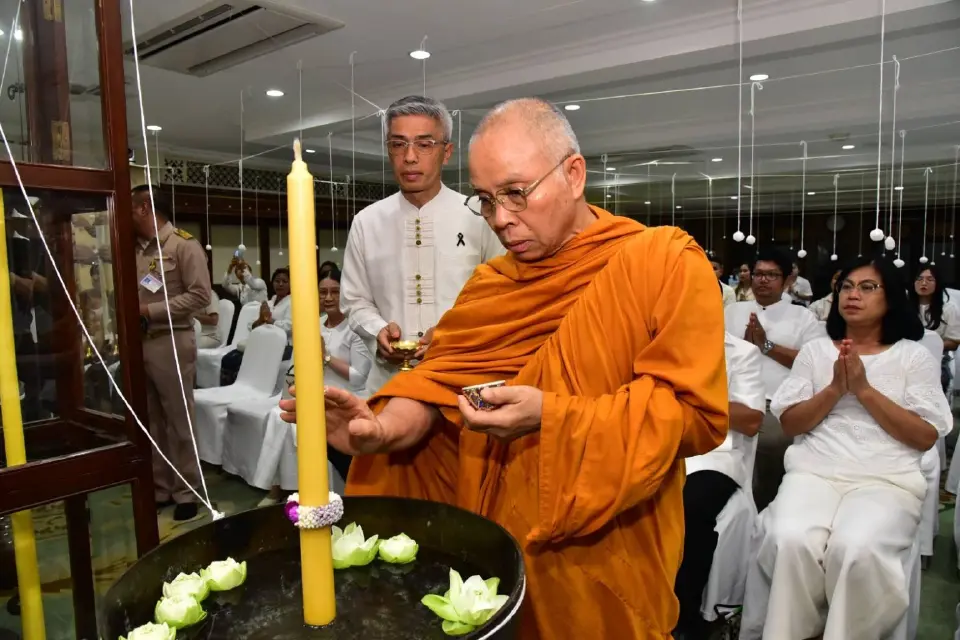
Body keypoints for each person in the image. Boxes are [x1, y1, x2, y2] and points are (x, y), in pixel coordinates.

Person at [281, 98, 728, 638]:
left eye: (517, 193)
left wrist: (553, 418)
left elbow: (695, 416)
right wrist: (382, 430)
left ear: (574, 173)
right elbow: (438, 384)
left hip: (605, 544)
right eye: (486, 200)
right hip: (490, 540)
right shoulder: (492, 284)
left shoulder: (664, 263)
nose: (501, 219)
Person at [740, 256, 952, 640]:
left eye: (868, 287)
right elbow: (791, 423)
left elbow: (924, 437)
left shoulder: (912, 356)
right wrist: (837, 388)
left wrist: (864, 390)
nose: (853, 295)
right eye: (847, 287)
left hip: (886, 477)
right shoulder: (817, 352)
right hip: (816, 471)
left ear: (892, 297)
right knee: (789, 537)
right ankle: (795, 632)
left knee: (855, 546)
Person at [341, 95, 503, 397]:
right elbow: (354, 301)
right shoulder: (367, 221)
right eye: (398, 144)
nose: (410, 157)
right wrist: (378, 330)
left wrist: (451, 334)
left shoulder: (479, 215)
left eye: (424, 144)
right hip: (389, 383)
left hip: (461, 378)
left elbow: (500, 295)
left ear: (446, 152)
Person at [674, 320, 765, 638]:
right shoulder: (659, 346)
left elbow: (752, 420)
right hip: (662, 446)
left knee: (690, 506)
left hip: (715, 455)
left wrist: (693, 402)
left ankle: (684, 616)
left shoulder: (741, 352)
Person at [131, 184, 211, 521]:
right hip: (140, 342)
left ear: (147, 207)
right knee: (152, 420)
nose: (128, 213)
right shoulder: (134, 249)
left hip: (171, 340)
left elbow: (200, 296)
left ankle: (188, 490)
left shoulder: (182, 245)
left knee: (179, 420)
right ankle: (161, 487)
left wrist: (149, 311)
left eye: (133, 207)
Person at [724, 248, 825, 510]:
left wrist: (765, 345)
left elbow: (812, 363)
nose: (763, 280)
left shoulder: (803, 316)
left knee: (770, 446)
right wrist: (742, 350)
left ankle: (766, 515)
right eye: (758, 274)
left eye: (771, 275)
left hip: (776, 404)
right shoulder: (733, 311)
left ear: (787, 280)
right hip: (731, 400)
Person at [220, 268, 292, 386]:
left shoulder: (293, 302)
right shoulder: (268, 302)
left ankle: (239, 388)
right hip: (263, 342)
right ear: (272, 283)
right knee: (229, 358)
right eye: (277, 281)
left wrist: (270, 321)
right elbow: (251, 324)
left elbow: (289, 327)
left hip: (283, 345)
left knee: (238, 361)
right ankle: (228, 389)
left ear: (290, 284)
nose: (280, 284)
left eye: (284, 281)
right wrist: (260, 320)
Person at [910, 264, 960, 393]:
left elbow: (954, 342)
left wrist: (929, 346)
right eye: (919, 279)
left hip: (936, 357)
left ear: (938, 283)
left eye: (930, 279)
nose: (923, 283)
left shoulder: (949, 308)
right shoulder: (904, 307)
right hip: (906, 356)